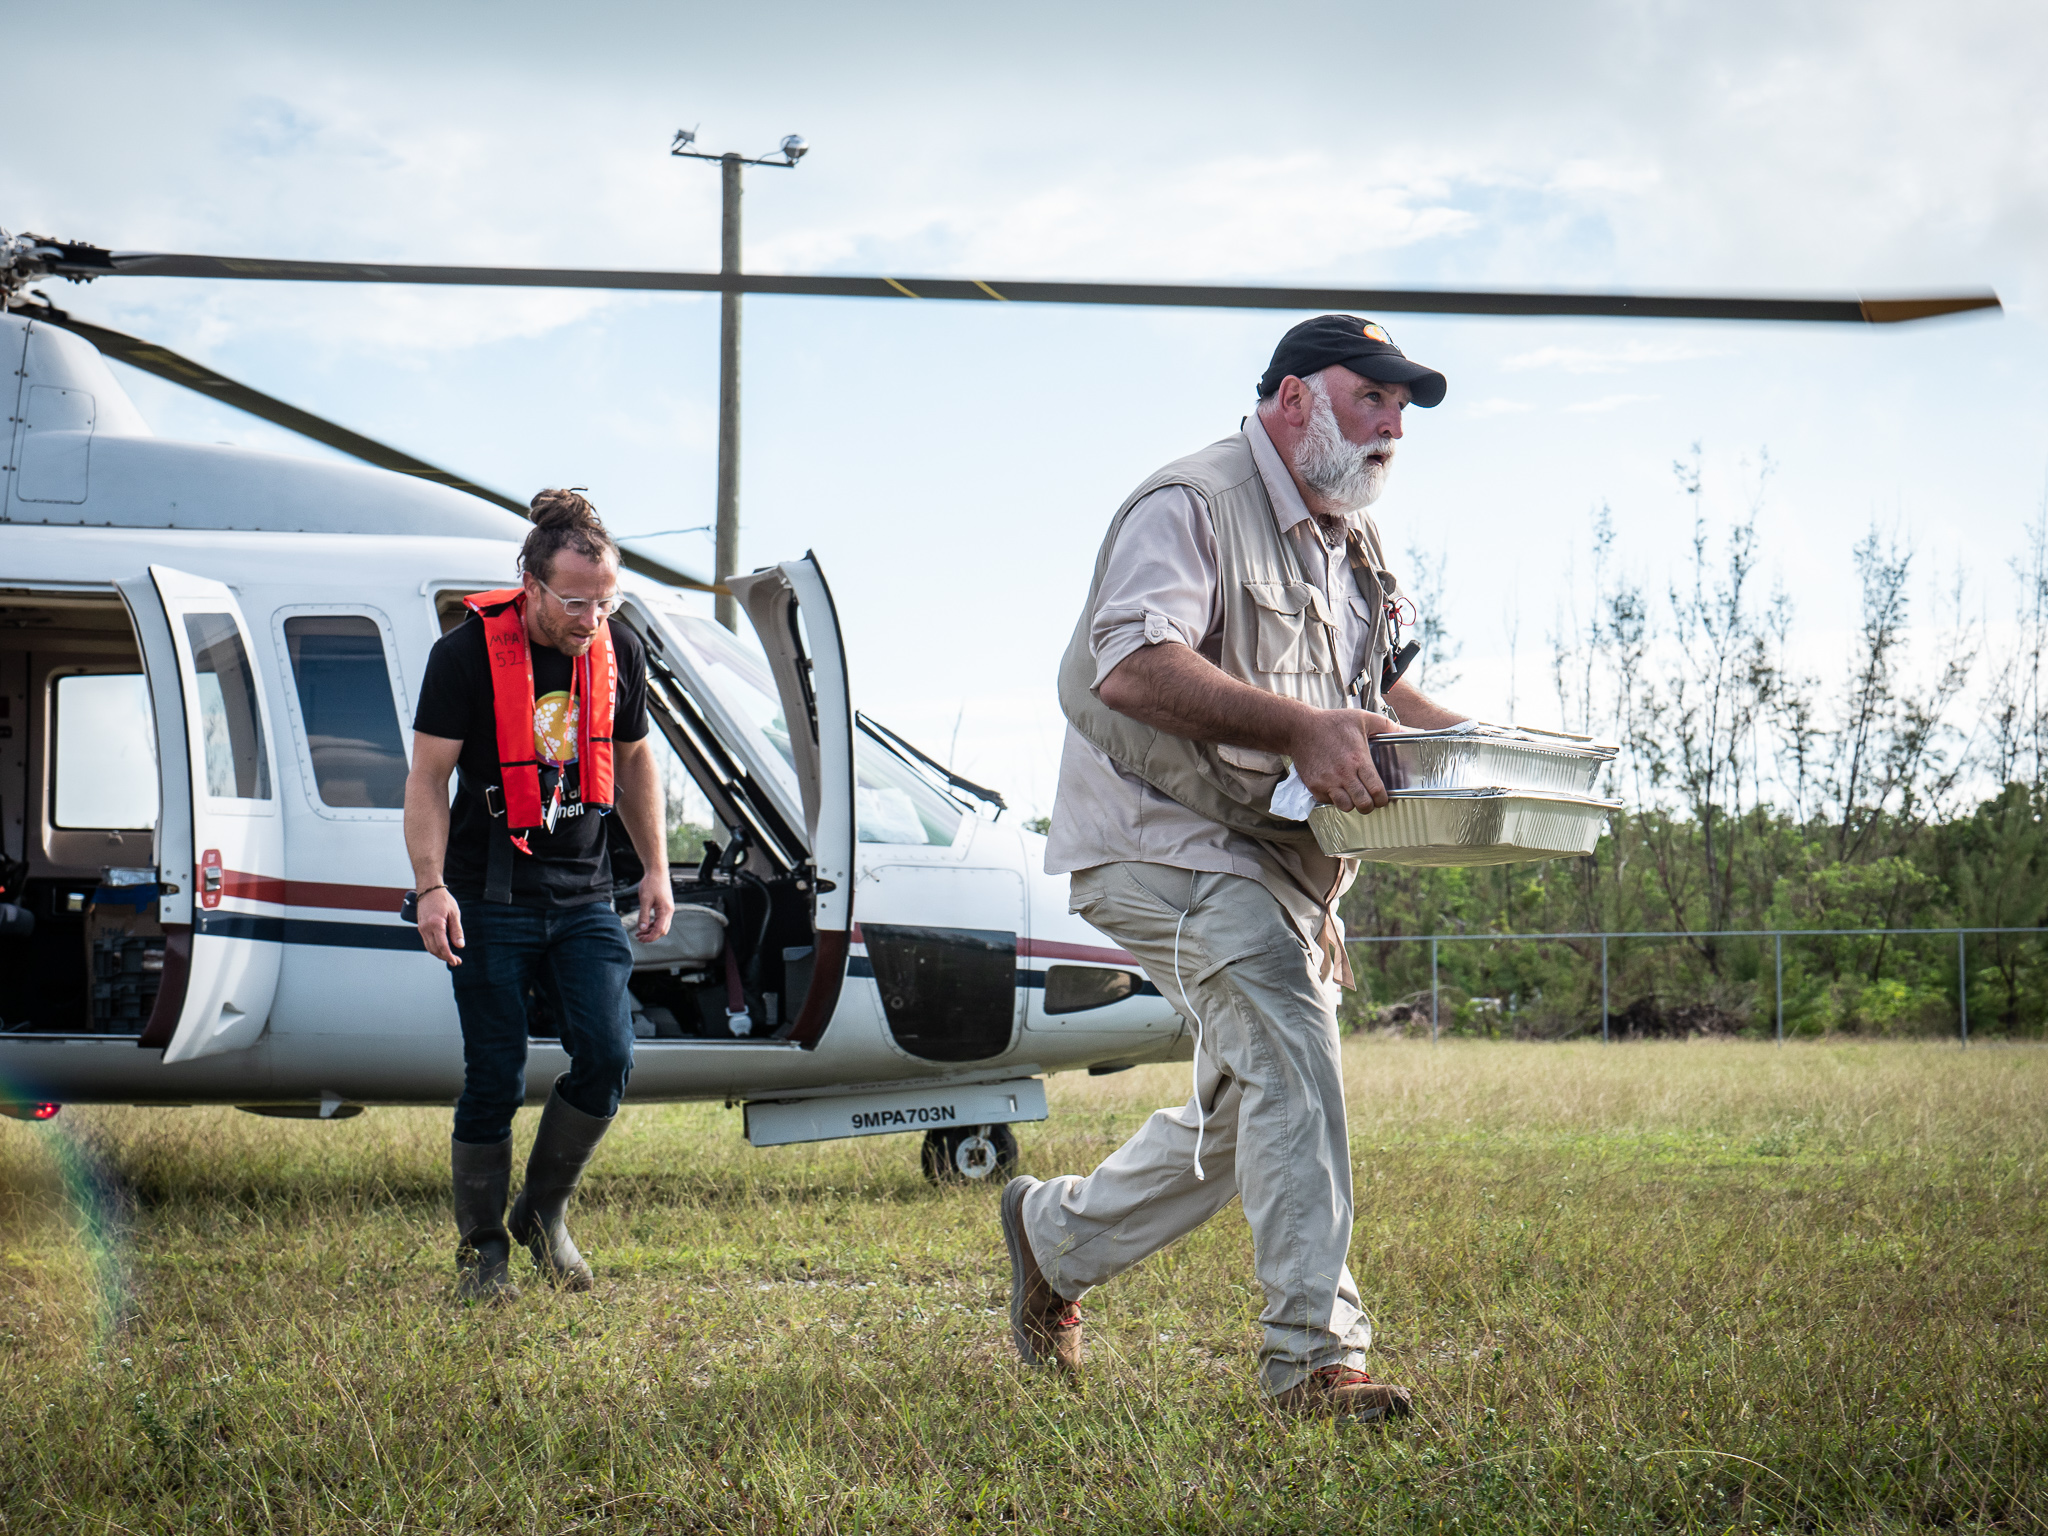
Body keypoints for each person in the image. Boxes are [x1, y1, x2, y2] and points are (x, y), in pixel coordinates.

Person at [1001, 316, 1469, 1418]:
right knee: (1292, 1058)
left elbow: (1383, 697)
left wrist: (1503, 761)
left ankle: (1049, 1237)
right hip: (1157, 845)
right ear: (1296, 398)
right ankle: (1311, 1356)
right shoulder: (1190, 502)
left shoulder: (1350, 540)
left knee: (1243, 1110)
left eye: (1402, 410)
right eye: (1372, 399)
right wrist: (1303, 728)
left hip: (1277, 865)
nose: (1392, 427)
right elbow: (1129, 665)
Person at [403, 489, 675, 1302]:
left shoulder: (617, 649)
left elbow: (632, 762)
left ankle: (541, 1215)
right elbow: (426, 779)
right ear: (529, 583)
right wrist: (430, 887)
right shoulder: (462, 654)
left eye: (606, 600)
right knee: (495, 1072)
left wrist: (655, 867)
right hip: (489, 893)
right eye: (575, 601)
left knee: (608, 1055)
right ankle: (482, 1249)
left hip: (585, 890)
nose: (593, 618)